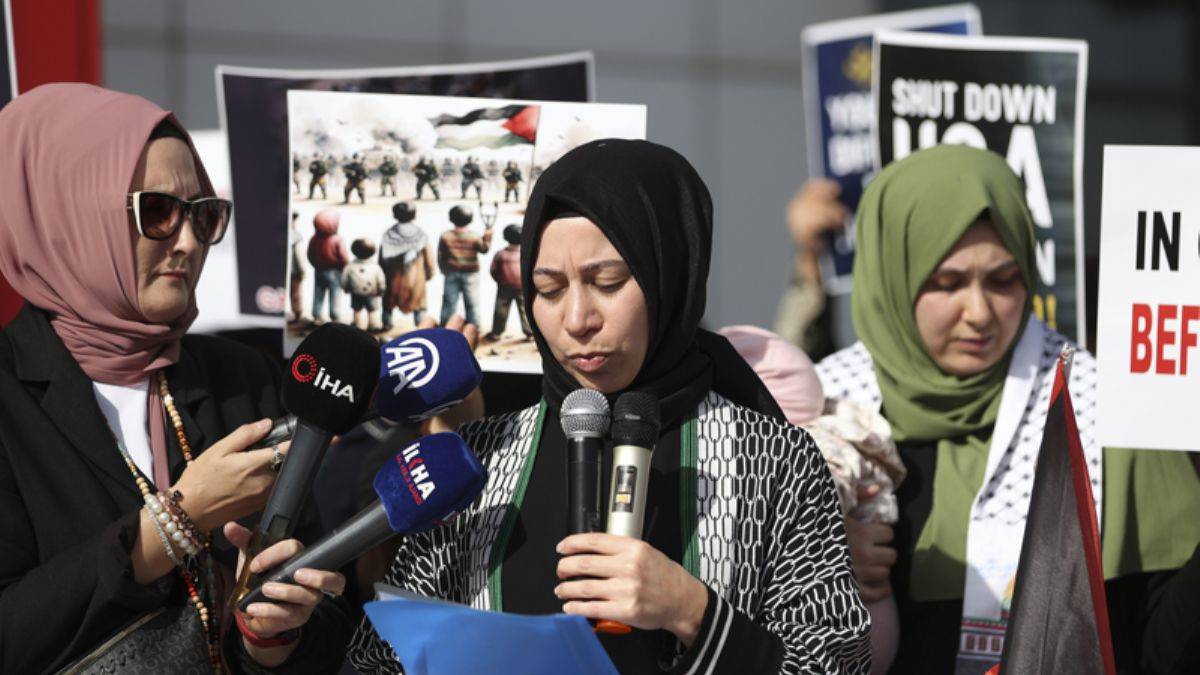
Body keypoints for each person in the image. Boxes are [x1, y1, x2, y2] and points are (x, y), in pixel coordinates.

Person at [348, 139, 870, 674]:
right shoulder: (477, 460)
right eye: (548, 291)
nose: (577, 320)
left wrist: (693, 611)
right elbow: (378, 658)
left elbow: (836, 662)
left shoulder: (773, 458)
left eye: (607, 282)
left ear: (670, 273)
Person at [0, 83, 349, 673]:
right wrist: (177, 522)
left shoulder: (243, 379)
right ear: (66, 214)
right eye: (157, 211)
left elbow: (325, 626)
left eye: (205, 215)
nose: (188, 242)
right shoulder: (12, 397)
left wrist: (274, 635)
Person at [815, 144, 1200, 673]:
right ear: (891, 274)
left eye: (1003, 280)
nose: (979, 313)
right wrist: (816, 559)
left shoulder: (1099, 411)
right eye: (947, 283)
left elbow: (1160, 645)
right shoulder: (818, 410)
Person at [379, 201, 435, 331]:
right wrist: (430, 273)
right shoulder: (420, 235)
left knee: (388, 303)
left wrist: (382, 274)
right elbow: (429, 258)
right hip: (416, 279)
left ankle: (387, 324)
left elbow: (382, 259)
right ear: (414, 215)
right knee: (419, 305)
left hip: (393, 279)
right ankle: (421, 328)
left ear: (395, 215)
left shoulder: (388, 235)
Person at [436, 204, 492, 326]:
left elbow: (441, 255)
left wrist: (442, 269)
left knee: (449, 302)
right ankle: (474, 326)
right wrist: (487, 237)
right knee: (472, 302)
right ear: (470, 220)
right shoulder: (474, 236)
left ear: (451, 219)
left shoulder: (445, 236)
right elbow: (484, 249)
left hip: (451, 272)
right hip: (471, 273)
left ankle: (445, 325)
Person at [486, 223, 532, 341]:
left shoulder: (501, 254)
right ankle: (530, 333)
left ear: (505, 237)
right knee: (525, 310)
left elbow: (493, 270)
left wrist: (500, 280)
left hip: (504, 287)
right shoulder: (526, 254)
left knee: (500, 311)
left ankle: (496, 333)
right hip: (523, 287)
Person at [307, 208, 350, 324]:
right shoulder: (337, 240)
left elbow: (310, 255)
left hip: (319, 270)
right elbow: (344, 257)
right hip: (335, 271)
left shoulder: (314, 239)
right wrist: (345, 266)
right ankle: (334, 316)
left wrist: (315, 264)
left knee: (318, 292)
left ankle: (316, 316)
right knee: (335, 293)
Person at [342, 238, 387, 332]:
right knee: (372, 310)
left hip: (356, 293)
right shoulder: (376, 267)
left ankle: (358, 327)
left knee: (357, 310)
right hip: (372, 293)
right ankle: (373, 326)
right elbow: (381, 280)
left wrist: (345, 288)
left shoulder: (350, 266)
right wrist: (382, 290)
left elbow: (344, 279)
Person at [288, 210, 307, 322]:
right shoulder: (296, 236)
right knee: (296, 294)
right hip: (295, 271)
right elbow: (299, 257)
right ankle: (297, 314)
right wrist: (303, 270)